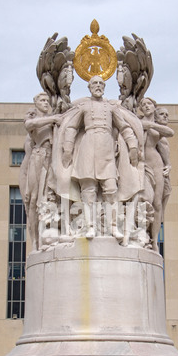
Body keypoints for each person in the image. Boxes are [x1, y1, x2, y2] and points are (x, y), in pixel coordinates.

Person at [61, 75, 138, 239]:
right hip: (88, 146)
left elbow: (124, 127)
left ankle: (113, 227)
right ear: (89, 87)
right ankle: (90, 227)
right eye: (95, 83)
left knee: (111, 189)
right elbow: (72, 127)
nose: (98, 86)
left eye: (101, 83)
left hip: (106, 148)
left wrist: (132, 145)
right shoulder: (83, 106)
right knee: (88, 190)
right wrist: (67, 148)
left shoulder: (111, 108)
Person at [20, 92, 61, 250]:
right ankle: (35, 240)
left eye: (46, 100)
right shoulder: (33, 117)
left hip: (52, 159)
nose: (45, 103)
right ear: (35, 102)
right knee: (34, 199)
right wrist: (52, 119)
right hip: (38, 157)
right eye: (42, 100)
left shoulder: (53, 116)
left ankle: (48, 234)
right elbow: (29, 125)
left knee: (50, 199)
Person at [139, 98, 174, 251]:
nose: (146, 106)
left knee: (157, 203)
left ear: (154, 107)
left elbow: (170, 133)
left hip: (156, 164)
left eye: (149, 104)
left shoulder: (156, 126)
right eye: (143, 105)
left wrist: (168, 164)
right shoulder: (137, 120)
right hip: (140, 164)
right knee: (143, 199)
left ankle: (154, 241)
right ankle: (141, 234)